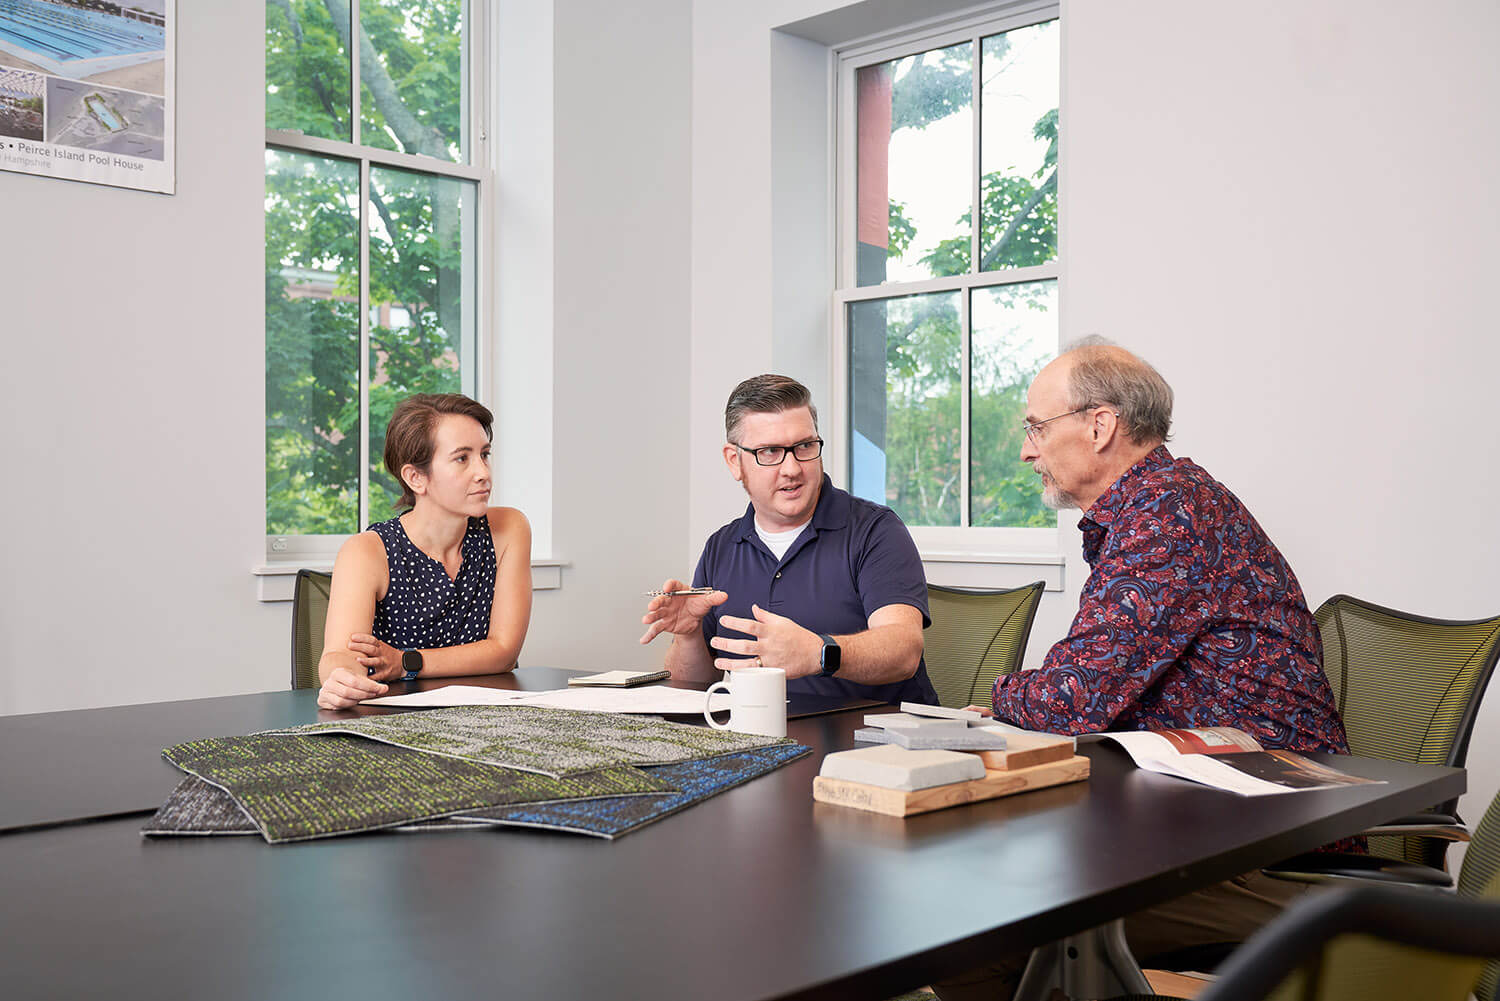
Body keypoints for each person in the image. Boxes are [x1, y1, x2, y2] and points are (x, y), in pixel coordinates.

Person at [934, 338, 1350, 999]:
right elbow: (1089, 680)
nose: (1026, 449)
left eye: (1037, 427)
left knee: (968, 932)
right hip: (1200, 822)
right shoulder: (1158, 505)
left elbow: (1075, 694)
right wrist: (1031, 697)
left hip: (1258, 848)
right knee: (984, 898)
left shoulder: (1168, 510)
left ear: (1100, 425)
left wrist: (999, 697)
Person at [639, 374, 937, 705]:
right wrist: (690, 635)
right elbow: (692, 683)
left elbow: (903, 650)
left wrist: (818, 653)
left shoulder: (875, 530)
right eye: (770, 452)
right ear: (734, 461)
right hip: (762, 743)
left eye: (804, 446)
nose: (792, 468)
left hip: (872, 746)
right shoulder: (720, 547)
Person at [315, 393, 533, 710]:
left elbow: (504, 651)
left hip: (488, 716)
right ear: (416, 477)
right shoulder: (365, 551)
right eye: (462, 458)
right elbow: (340, 654)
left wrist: (407, 661)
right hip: (392, 721)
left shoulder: (509, 529)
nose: (483, 472)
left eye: (484, 454)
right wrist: (342, 679)